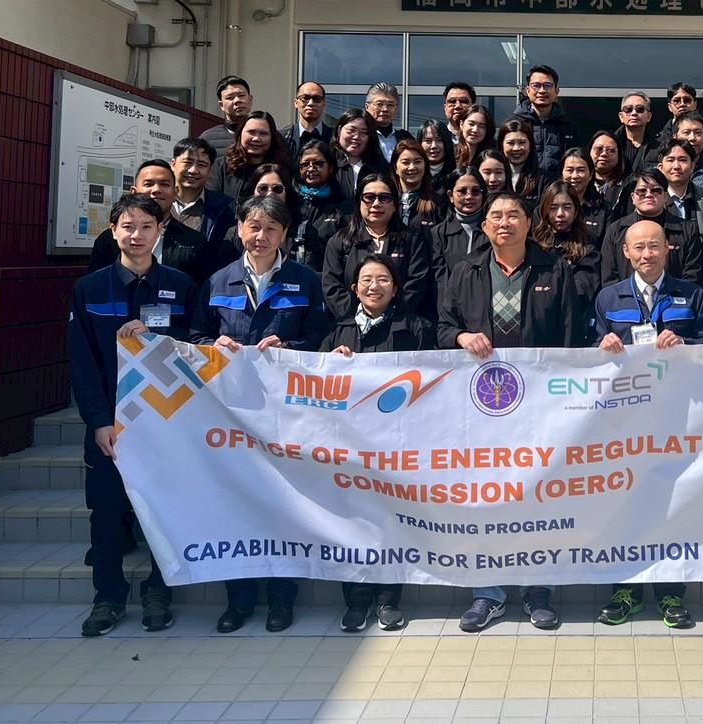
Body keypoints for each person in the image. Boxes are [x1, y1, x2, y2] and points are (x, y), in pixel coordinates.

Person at [192, 194, 331, 633]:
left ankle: (281, 599)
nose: (261, 236)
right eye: (253, 226)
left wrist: (289, 347)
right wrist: (212, 346)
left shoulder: (304, 280)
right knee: (237, 504)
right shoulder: (218, 282)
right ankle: (239, 600)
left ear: (284, 234)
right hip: (231, 415)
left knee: (283, 505)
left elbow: (321, 336)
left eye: (271, 228)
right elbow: (194, 335)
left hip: (285, 415)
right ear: (239, 229)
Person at [437, 194, 574, 632]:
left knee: (538, 496)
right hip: (482, 410)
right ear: (484, 226)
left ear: (528, 223)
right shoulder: (466, 271)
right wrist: (460, 337)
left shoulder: (554, 269)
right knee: (487, 497)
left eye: (513, 214)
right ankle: (488, 592)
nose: (504, 222)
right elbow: (442, 326)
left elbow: (570, 337)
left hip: (539, 408)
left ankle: (538, 589)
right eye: (495, 215)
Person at [68, 196, 197, 637]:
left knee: (165, 510)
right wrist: (99, 421)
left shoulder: (181, 286)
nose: (136, 235)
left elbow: (197, 348)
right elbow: (82, 363)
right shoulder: (90, 289)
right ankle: (107, 597)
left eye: (145, 226)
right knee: (106, 514)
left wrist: (161, 335)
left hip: (165, 423)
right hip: (110, 425)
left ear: (159, 231)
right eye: (127, 226)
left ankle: (159, 591)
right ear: (112, 230)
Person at [590, 217, 703, 630]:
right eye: (639, 247)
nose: (647, 254)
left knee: (672, 505)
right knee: (623, 505)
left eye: (654, 246)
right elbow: (586, 354)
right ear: (626, 253)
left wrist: (685, 343)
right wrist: (602, 344)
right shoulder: (608, 297)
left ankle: (670, 593)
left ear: (667, 249)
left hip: (678, 420)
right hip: (625, 425)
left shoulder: (691, 294)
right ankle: (625, 590)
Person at [321, 254, 434, 633]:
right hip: (349, 447)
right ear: (354, 289)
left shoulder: (416, 328)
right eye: (367, 280)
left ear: (396, 288)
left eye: (383, 279)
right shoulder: (337, 331)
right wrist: (328, 362)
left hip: (397, 445)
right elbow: (313, 384)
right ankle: (355, 601)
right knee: (352, 523)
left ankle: (388, 600)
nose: (375, 286)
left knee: (390, 520)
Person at [322, 173, 433, 321]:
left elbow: (416, 285)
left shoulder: (412, 241)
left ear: (395, 205)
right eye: (369, 197)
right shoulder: (340, 241)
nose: (376, 204)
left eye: (384, 198)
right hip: (351, 324)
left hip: (400, 324)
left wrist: (389, 317)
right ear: (359, 203)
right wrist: (358, 319)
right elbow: (332, 287)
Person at [89, 159, 210, 282]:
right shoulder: (108, 240)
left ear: (175, 193)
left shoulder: (195, 242)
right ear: (134, 192)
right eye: (148, 184)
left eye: (164, 184)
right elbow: (96, 285)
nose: (156, 190)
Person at [600, 169, 703, 286]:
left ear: (665, 196)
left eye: (656, 190)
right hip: (625, 297)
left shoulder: (687, 230)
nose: (649, 195)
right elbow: (609, 276)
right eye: (642, 191)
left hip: (676, 296)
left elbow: (692, 276)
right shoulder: (616, 230)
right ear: (633, 197)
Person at [532, 181, 601, 324]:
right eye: (553, 208)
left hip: (568, 322)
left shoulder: (587, 252)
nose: (560, 214)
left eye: (567, 207)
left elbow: (581, 293)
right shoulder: (532, 247)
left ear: (576, 211)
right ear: (544, 211)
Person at [171, 138, 236, 271]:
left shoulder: (225, 208)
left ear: (210, 170)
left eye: (201, 165)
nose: (193, 170)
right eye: (187, 163)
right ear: (173, 164)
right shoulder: (158, 201)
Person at [512, 64, 579, 183]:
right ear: (528, 90)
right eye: (536, 85)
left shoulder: (568, 126)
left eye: (547, 85)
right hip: (522, 188)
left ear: (557, 91)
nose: (542, 91)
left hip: (557, 189)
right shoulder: (514, 124)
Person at [291, 138, 349, 272]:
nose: (311, 169)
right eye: (305, 164)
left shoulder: (343, 207)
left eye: (318, 163)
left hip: (326, 277)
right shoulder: (290, 202)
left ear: (331, 168)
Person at [429, 168, 488, 295]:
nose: (469, 196)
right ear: (450, 196)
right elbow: (440, 280)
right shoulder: (438, 233)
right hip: (451, 303)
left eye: (476, 191)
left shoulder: (493, 229)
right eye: (462, 191)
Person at [209, 110, 293, 198]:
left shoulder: (282, 168)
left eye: (263, 134)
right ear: (240, 133)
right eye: (251, 132)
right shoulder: (221, 166)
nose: (256, 138)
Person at [333, 108, 390, 197]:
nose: (356, 137)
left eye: (364, 132)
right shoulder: (327, 161)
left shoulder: (380, 166)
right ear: (339, 130)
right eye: (351, 130)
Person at [559, 147, 609, 247]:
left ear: (590, 175)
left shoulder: (604, 209)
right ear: (561, 174)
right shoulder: (547, 207)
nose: (574, 176)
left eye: (581, 170)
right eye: (570, 170)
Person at [390, 138, 442, 231]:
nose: (412, 167)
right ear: (395, 168)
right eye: (405, 162)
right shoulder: (386, 200)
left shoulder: (438, 202)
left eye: (417, 162)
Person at [655, 137, 703, 224]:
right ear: (660, 168)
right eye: (670, 160)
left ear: (692, 167)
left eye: (682, 160)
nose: (676, 166)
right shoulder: (651, 200)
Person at [200, 75, 253, 156]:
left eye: (241, 95)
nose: (237, 100)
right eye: (230, 97)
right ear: (221, 105)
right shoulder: (208, 138)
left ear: (250, 99)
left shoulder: (266, 134)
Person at [280, 81, 331, 156]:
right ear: (296, 103)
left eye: (317, 99)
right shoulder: (282, 138)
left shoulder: (335, 138)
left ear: (324, 104)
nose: (311, 103)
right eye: (305, 98)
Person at [497, 118, 542, 203]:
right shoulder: (494, 178)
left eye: (522, 142)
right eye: (510, 143)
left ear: (530, 145)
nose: (516, 148)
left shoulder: (543, 180)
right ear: (501, 145)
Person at [366, 82, 413, 162]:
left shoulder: (405, 138)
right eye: (379, 104)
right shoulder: (362, 136)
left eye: (390, 105)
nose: (385, 109)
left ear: (396, 109)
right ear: (367, 107)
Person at [616, 91, 654, 174]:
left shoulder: (661, 145)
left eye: (640, 109)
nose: (634, 113)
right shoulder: (612, 144)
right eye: (628, 109)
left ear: (649, 116)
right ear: (621, 117)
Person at [588, 130, 628, 207]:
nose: (604, 154)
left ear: (619, 155)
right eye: (599, 149)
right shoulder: (580, 183)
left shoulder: (628, 186)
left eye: (611, 151)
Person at [435, 81, 477, 154]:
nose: (457, 106)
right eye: (452, 101)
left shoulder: (484, 141)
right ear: (445, 108)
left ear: (473, 107)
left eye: (463, 101)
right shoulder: (435, 139)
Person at [416, 120, 453, 195]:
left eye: (439, 140)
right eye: (428, 141)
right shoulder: (414, 171)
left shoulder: (456, 171)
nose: (434, 146)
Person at [454, 103, 495, 170]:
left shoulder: (492, 157)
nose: (475, 130)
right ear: (461, 124)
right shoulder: (450, 153)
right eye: (471, 124)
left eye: (482, 126)